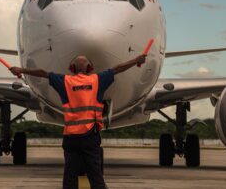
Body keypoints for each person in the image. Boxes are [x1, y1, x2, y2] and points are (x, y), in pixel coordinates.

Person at [10, 54, 146, 189]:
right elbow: (118, 69)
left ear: (72, 68)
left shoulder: (65, 81)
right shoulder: (97, 80)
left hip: (71, 137)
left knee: (70, 176)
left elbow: (42, 73)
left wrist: (21, 70)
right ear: (90, 68)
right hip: (90, 136)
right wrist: (136, 61)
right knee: (95, 175)